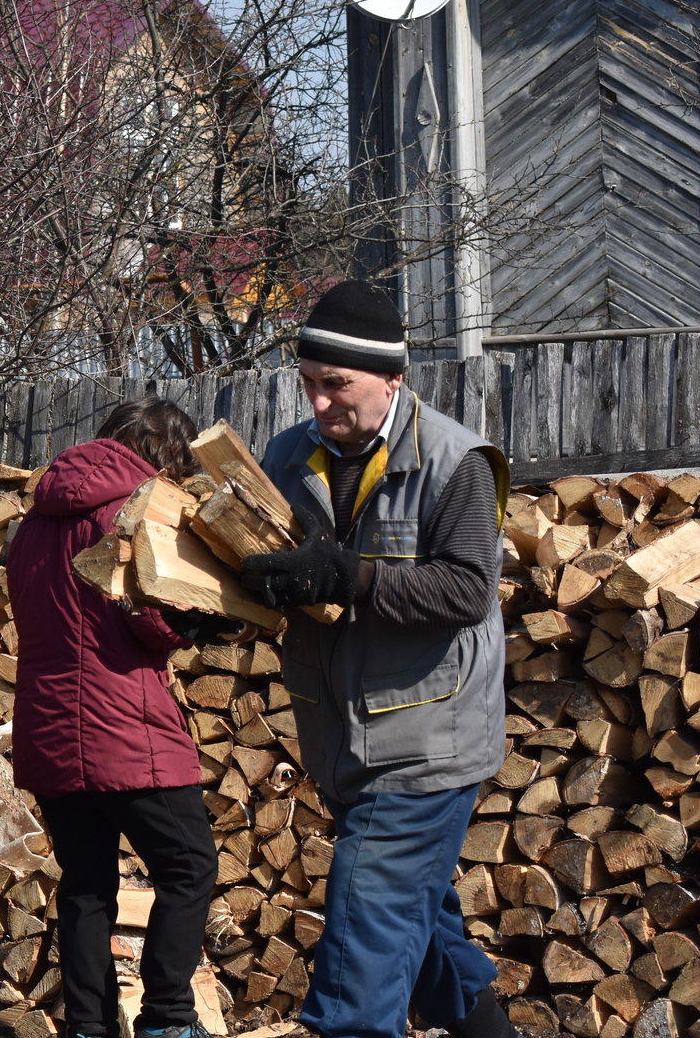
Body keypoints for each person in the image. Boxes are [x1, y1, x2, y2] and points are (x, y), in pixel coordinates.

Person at [239, 281, 514, 1038]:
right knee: (422, 937)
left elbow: (468, 590)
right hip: (339, 739)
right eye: (308, 383)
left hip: (428, 742)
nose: (319, 402)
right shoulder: (285, 457)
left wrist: (349, 578)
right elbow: (277, 573)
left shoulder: (457, 461)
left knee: (362, 946)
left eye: (336, 384)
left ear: (393, 378)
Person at [7, 396, 221, 1038]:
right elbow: (151, 621)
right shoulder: (140, 511)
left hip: (49, 728)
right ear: (167, 458)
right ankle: (168, 1019)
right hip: (124, 724)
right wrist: (198, 618)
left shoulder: (32, 523)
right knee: (189, 866)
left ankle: (88, 1027)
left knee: (86, 883)